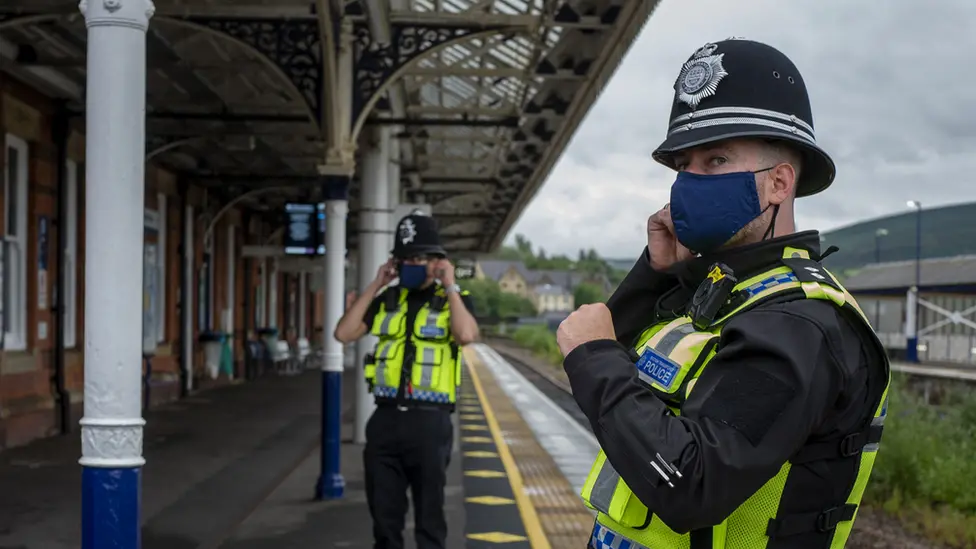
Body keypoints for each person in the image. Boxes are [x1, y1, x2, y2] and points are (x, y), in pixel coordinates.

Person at [556, 38, 890, 549]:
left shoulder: (796, 325)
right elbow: (621, 368)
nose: (689, 181)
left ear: (779, 183)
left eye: (715, 160)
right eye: (683, 165)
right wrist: (658, 272)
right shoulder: (725, 294)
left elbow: (689, 483)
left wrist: (596, 356)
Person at [334, 212, 479, 549]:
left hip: (430, 422)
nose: (413, 264)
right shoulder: (386, 299)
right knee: (385, 520)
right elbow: (343, 333)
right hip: (384, 420)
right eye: (406, 259)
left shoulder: (452, 300)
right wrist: (376, 283)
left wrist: (450, 284)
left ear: (437, 262)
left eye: (420, 258)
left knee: (430, 521)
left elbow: (466, 335)